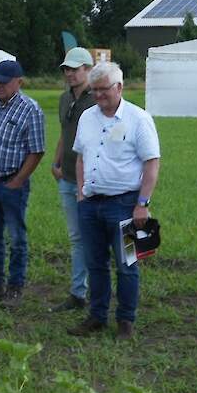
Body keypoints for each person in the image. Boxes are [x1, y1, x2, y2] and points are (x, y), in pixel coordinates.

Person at [67, 62, 160, 340]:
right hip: (90, 204)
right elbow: (82, 156)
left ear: (119, 87)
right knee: (95, 263)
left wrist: (142, 203)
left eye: (103, 89)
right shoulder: (87, 117)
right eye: (94, 90)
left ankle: (125, 321)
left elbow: (152, 163)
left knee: (127, 265)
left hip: (125, 203)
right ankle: (97, 316)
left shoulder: (138, 119)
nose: (98, 96)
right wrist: (82, 192)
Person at [0, 60, 46, 307]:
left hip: (12, 184)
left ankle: (15, 287)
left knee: (16, 238)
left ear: (19, 82)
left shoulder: (30, 110)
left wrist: (18, 181)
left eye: (4, 81)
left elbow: (36, 151)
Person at [48, 47, 95, 312]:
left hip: (90, 181)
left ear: (88, 70)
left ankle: (93, 290)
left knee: (93, 237)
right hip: (66, 177)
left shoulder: (96, 100)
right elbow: (65, 134)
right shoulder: (65, 99)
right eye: (66, 69)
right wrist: (55, 163)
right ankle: (78, 293)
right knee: (77, 237)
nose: (70, 74)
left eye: (75, 69)